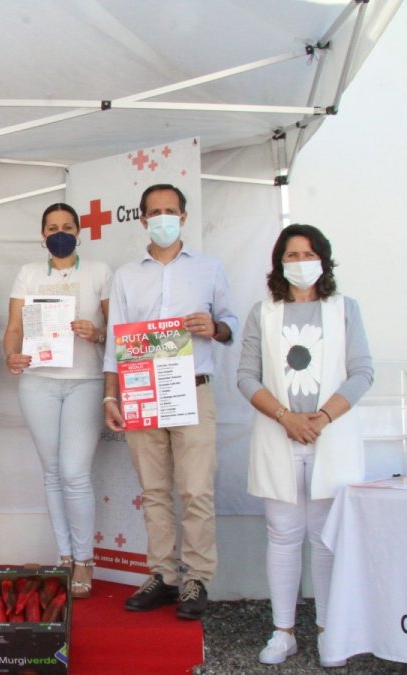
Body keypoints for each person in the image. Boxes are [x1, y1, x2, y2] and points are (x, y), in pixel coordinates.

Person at [237, 224, 372, 667]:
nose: (300, 263)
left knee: (326, 539)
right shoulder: (265, 311)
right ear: (279, 263)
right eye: (291, 255)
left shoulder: (343, 309)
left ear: (324, 260)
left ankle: (330, 631)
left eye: (308, 254)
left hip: (329, 438)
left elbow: (361, 372)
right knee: (283, 537)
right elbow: (246, 376)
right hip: (280, 438)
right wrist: (286, 418)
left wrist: (324, 416)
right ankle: (284, 632)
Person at [103, 185, 237, 620]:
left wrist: (214, 327)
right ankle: (162, 574)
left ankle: (197, 577)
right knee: (154, 490)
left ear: (183, 216)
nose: (163, 218)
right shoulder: (125, 275)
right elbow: (114, 343)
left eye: (170, 211)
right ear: (142, 220)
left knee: (196, 489)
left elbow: (231, 323)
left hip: (192, 388)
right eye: (154, 212)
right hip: (142, 391)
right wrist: (111, 394)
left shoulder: (210, 268)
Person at [3, 203, 111, 599]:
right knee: (51, 471)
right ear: (42, 233)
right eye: (52, 227)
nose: (59, 233)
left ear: (79, 232)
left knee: (74, 472)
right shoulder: (29, 273)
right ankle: (64, 557)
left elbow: (113, 331)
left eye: (67, 227)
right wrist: (11, 355)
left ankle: (85, 559)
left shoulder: (99, 271)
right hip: (38, 382)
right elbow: (14, 328)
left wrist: (96, 333)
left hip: (85, 380)